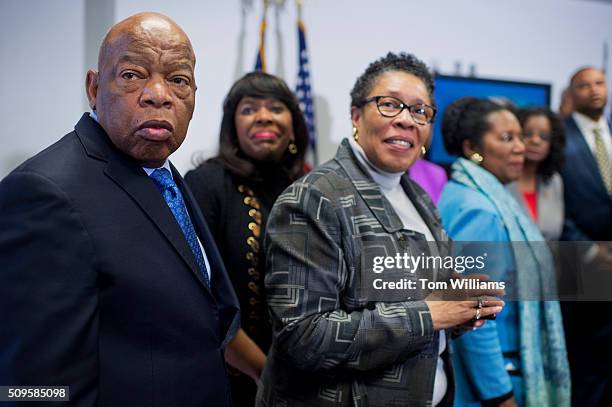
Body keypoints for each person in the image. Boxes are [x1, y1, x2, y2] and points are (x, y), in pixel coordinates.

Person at [0, 13, 239, 405]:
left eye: (178, 80)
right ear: (94, 88)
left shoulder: (161, 171)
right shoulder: (43, 193)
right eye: (132, 75)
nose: (158, 94)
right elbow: (31, 388)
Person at [257, 52, 504, 407]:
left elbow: (428, 306)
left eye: (420, 111)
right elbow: (304, 338)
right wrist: (432, 314)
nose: (407, 120)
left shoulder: (417, 195)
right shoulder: (312, 199)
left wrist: (463, 309)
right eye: (390, 105)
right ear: (356, 115)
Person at [184, 71, 308, 406]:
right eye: (249, 109)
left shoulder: (310, 189)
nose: (264, 116)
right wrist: (264, 373)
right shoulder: (206, 185)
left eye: (276, 108)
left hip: (304, 380)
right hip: (227, 381)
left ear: (294, 124)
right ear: (233, 126)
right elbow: (201, 300)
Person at [438, 97, 570, 406]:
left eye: (520, 136)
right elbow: (474, 315)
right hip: (495, 380)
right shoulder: (481, 210)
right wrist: (500, 396)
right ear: (472, 147)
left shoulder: (465, 192)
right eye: (506, 138)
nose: (520, 147)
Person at [560, 66, 612, 407]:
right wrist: (591, 250)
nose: (594, 90)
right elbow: (551, 205)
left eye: (599, 83)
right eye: (584, 85)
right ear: (571, 93)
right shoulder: (557, 136)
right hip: (582, 264)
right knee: (586, 365)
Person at [506, 107, 566, 240]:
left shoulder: (554, 181)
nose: (535, 141)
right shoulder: (501, 180)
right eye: (527, 134)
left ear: (552, 143)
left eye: (544, 137)